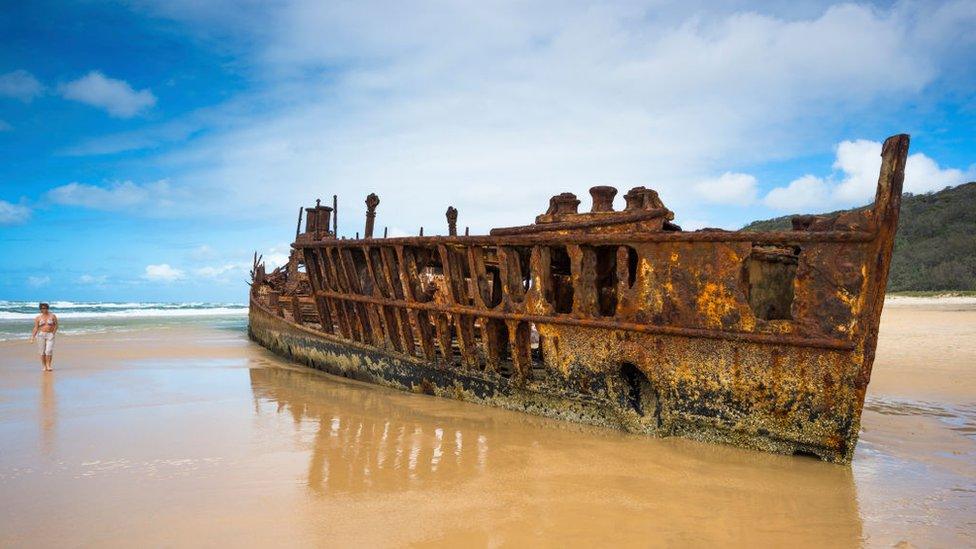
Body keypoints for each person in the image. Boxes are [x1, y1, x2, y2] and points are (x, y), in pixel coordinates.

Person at [29, 302, 58, 372]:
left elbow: (56, 325)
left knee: (49, 350)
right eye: (42, 308)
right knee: (42, 352)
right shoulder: (38, 318)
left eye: (45, 308)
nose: (44, 309)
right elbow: (36, 328)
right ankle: (44, 366)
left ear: (47, 308)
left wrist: (53, 333)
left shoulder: (53, 316)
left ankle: (48, 365)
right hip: (41, 335)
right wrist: (32, 337)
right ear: (40, 309)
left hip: (50, 334)